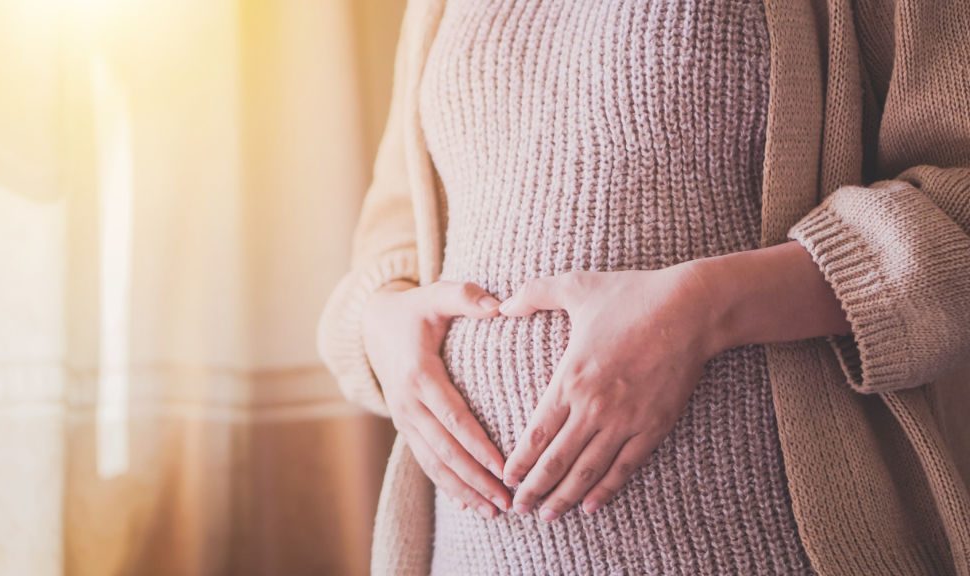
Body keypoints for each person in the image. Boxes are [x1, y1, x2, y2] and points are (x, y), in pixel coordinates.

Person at [319, 1, 970, 574]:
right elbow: (395, 230)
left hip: (759, 543)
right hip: (469, 551)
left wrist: (704, 309)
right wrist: (382, 325)